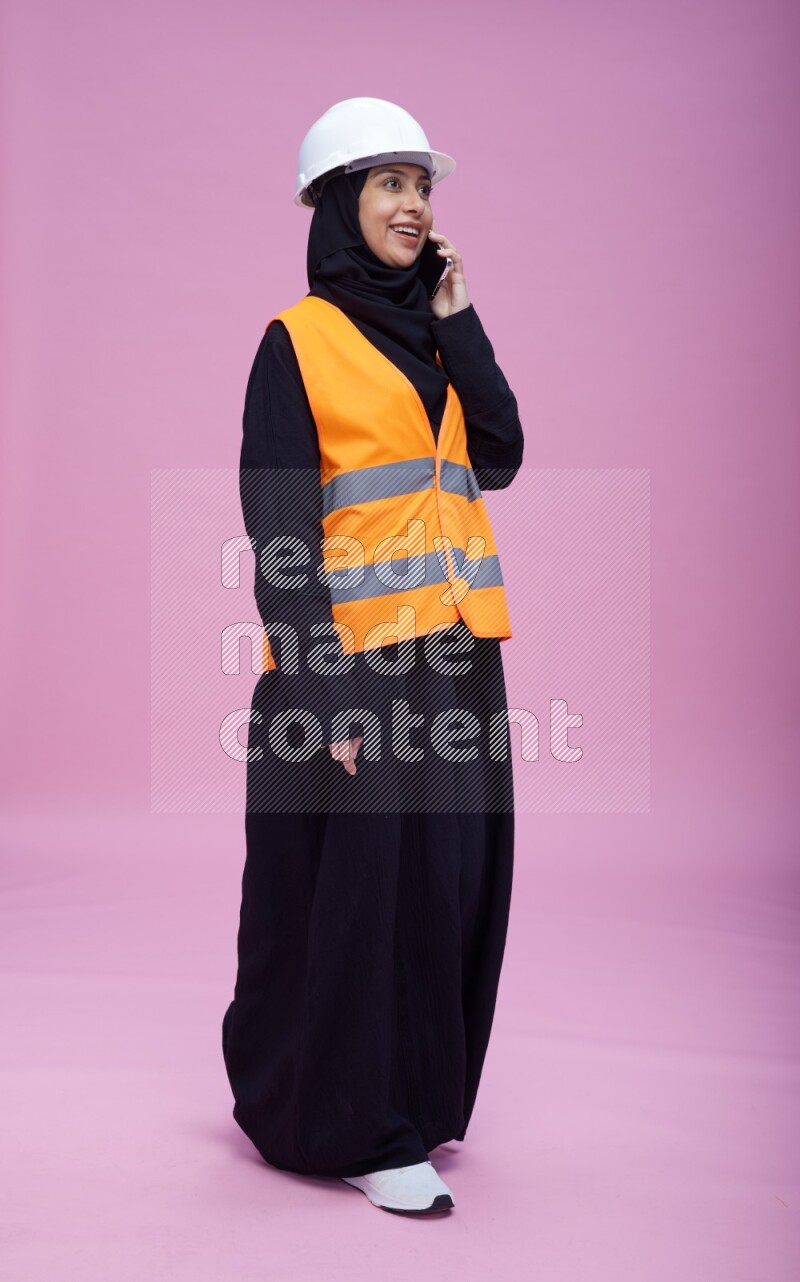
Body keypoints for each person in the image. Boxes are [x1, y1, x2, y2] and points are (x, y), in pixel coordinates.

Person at [221, 97, 524, 1216]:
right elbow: (282, 536)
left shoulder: (432, 332)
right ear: (339, 203)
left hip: (457, 658)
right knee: (358, 901)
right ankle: (349, 1122)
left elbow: (498, 455)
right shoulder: (294, 344)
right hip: (355, 670)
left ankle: (412, 1100)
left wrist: (462, 318)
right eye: (389, 183)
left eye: (422, 185)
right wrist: (327, 693)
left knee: (447, 891)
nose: (413, 205)